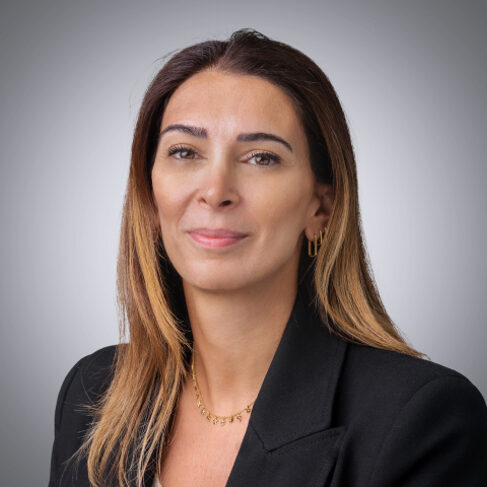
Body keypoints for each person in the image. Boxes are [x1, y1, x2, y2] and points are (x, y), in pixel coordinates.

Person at [48, 28, 487, 487]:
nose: (215, 191)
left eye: (261, 158)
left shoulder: (420, 418)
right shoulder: (92, 393)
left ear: (321, 207)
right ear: (150, 195)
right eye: (185, 152)